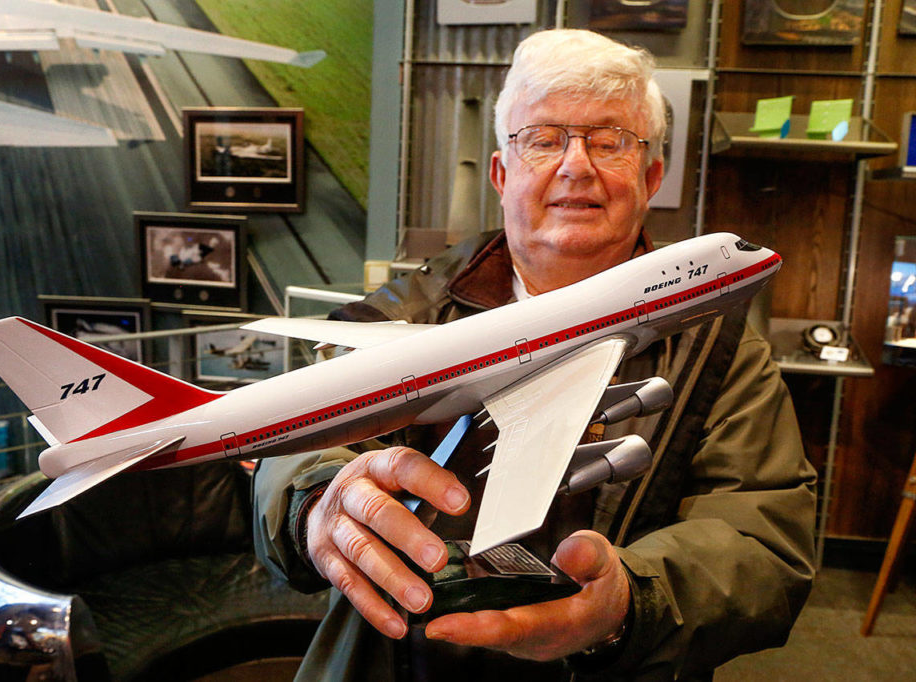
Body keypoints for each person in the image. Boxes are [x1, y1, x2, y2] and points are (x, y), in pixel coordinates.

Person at [253, 28, 817, 681]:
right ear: (501, 172)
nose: (576, 165)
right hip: (394, 661)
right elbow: (287, 438)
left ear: (652, 176)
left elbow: (764, 539)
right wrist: (316, 501)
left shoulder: (724, 348)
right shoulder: (403, 313)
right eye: (544, 140)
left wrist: (630, 602)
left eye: (610, 142)